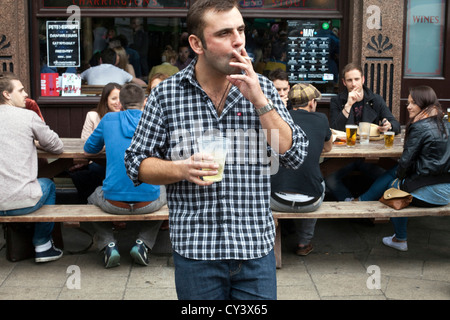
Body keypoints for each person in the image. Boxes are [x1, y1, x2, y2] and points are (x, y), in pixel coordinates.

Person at [124, 0, 308, 300]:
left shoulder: (263, 88)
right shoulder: (165, 95)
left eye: (241, 30)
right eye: (224, 33)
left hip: (255, 251)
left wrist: (260, 101)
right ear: (197, 43)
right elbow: (136, 164)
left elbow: (294, 154)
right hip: (197, 251)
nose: (238, 41)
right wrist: (181, 169)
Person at [357, 86, 450, 251]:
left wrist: (399, 180)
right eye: (408, 103)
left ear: (425, 104)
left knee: (392, 187)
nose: (408, 106)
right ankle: (362, 200)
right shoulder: (446, 124)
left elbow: (405, 163)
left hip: (431, 193)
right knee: (394, 171)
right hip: (447, 188)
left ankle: (400, 239)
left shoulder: (420, 126)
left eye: (413, 103)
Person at [84, 83, 166, 268]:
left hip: (113, 203)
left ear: (120, 103)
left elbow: (89, 149)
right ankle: (143, 243)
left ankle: (108, 244)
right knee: (164, 192)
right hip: (148, 204)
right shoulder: (155, 120)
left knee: (92, 197)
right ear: (145, 102)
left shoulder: (108, 120)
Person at [0, 72, 64, 263]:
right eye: (20, 90)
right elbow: (57, 146)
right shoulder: (28, 116)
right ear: (7, 94)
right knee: (49, 185)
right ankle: (42, 245)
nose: (26, 94)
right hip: (22, 202)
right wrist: (36, 140)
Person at [271, 83, 332, 256]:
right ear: (312, 102)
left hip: (276, 201)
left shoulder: (279, 118)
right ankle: (304, 243)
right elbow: (328, 148)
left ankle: (275, 239)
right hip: (310, 203)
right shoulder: (321, 119)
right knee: (318, 184)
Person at [326, 63, 401, 201]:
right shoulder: (337, 101)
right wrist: (348, 105)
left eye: (356, 79)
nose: (353, 84)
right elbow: (335, 128)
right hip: (343, 157)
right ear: (344, 82)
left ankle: (367, 204)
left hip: (369, 156)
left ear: (363, 80)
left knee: (387, 177)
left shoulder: (375, 99)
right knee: (329, 179)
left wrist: (388, 126)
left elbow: (396, 125)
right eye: (349, 80)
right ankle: (350, 205)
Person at [70, 83, 122, 204]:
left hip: (117, 163)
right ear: (105, 100)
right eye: (114, 98)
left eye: (120, 98)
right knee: (91, 171)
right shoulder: (93, 116)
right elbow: (85, 142)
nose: (118, 102)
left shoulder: (126, 117)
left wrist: (100, 146)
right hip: (95, 161)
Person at [81, 48, 146, 86]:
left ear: (100, 60)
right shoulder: (121, 72)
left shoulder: (90, 70)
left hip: (94, 103)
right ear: (115, 62)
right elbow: (142, 83)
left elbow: (75, 79)